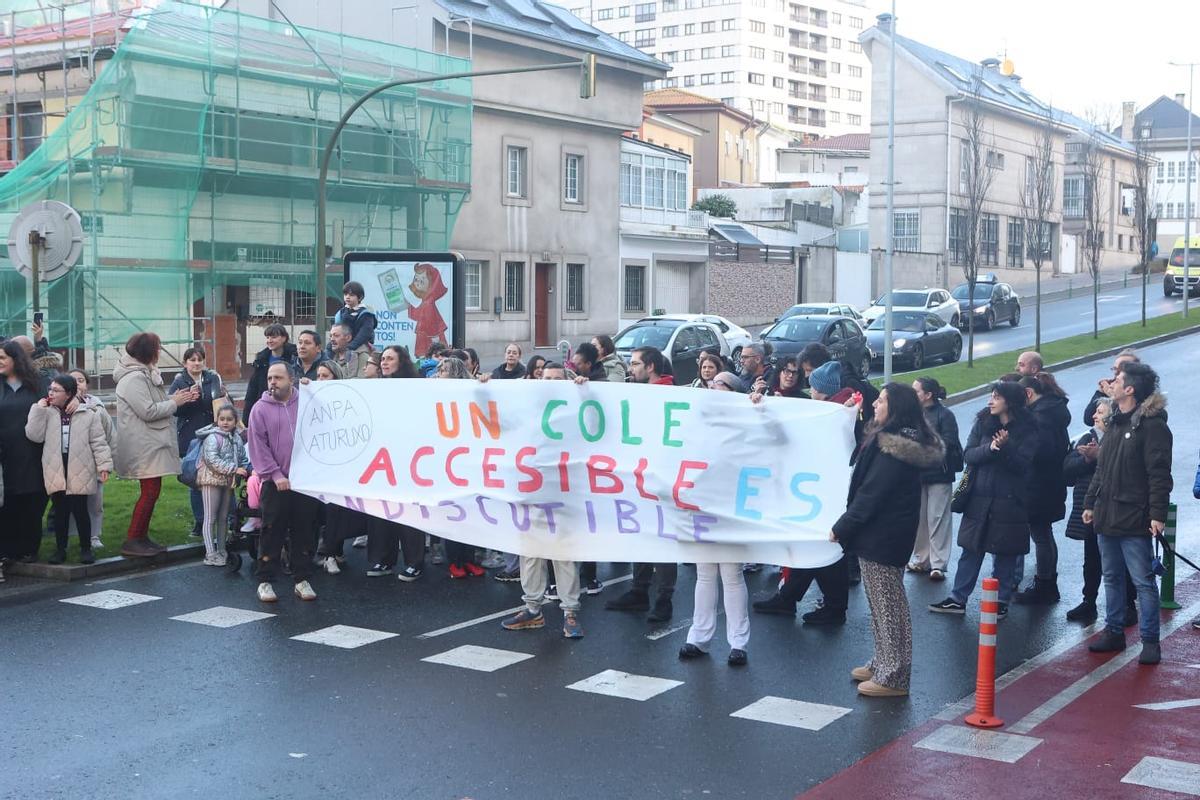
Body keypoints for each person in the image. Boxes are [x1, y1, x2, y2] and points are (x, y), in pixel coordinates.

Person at [834, 383, 944, 697]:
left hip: (884, 535)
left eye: (881, 400)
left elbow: (873, 493)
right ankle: (882, 661)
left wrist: (843, 527)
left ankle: (893, 676)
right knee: (880, 603)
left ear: (895, 408)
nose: (876, 403)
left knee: (888, 606)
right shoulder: (889, 439)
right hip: (881, 534)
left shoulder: (895, 448)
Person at [752, 359, 857, 623]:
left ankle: (829, 607)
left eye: (813, 386)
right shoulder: (834, 408)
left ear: (823, 389)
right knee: (814, 546)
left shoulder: (835, 411)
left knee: (822, 548)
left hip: (821, 488)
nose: (810, 390)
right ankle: (792, 598)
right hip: (817, 487)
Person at [1083, 362, 1172, 665]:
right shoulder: (1116, 423)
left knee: (1143, 581)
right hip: (1107, 514)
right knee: (1112, 577)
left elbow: (1159, 475)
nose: (1112, 382)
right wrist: (1089, 503)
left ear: (1130, 389)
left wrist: (1157, 515)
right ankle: (1114, 631)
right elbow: (1102, 470)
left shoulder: (1152, 426)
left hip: (1134, 517)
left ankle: (1150, 641)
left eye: (1118, 379)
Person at [930, 381, 1038, 617]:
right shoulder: (983, 423)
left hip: (1010, 501)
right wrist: (992, 448)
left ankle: (1000, 601)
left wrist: (1006, 448)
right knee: (971, 549)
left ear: (1009, 402)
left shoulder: (1029, 429)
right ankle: (958, 598)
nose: (990, 401)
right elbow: (969, 454)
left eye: (996, 397)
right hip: (979, 498)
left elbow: (1022, 466)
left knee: (1005, 553)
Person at [501, 359, 588, 638]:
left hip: (562, 493)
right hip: (531, 490)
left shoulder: (574, 408)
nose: (550, 384)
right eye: (546, 378)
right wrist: (484, 386)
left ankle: (570, 612)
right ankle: (533, 609)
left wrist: (585, 391)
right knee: (530, 553)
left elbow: (596, 422)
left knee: (562, 554)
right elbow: (497, 419)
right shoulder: (528, 407)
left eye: (556, 379)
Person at [678, 373, 750, 666]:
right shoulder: (699, 422)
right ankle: (699, 637)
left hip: (732, 506)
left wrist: (757, 408)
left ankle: (739, 643)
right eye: (710, 385)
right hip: (702, 505)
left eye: (719, 385)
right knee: (705, 574)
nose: (711, 388)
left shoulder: (746, 422)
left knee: (731, 575)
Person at [606, 345, 677, 621]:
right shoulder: (636, 393)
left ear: (650, 367)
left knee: (664, 539)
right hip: (640, 477)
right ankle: (639, 590)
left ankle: (664, 599)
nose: (630, 368)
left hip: (664, 479)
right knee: (642, 533)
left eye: (635, 364)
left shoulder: (671, 394)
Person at [113, 332, 194, 558]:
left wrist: (173, 399)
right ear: (148, 352)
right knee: (150, 492)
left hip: (149, 443)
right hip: (144, 445)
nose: (160, 352)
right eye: (157, 348)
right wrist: (174, 402)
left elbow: (153, 404)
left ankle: (141, 537)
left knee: (152, 492)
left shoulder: (142, 374)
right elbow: (147, 411)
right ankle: (133, 538)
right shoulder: (134, 378)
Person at [248, 363, 320, 603]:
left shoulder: (307, 403)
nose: (272, 382)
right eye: (270, 378)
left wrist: (317, 390)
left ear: (292, 379)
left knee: (304, 531)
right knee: (272, 531)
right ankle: (265, 581)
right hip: (276, 483)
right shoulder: (259, 409)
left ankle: (301, 578)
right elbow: (259, 446)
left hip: (304, 482)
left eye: (278, 377)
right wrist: (275, 475)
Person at [1062, 400, 1138, 626]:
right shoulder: (1087, 437)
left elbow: (1126, 468)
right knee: (1091, 558)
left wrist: (1099, 456)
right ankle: (1089, 600)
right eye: (1095, 411)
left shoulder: (1122, 436)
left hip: (1116, 509)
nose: (1094, 416)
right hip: (1090, 509)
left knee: (1120, 560)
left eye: (1100, 411)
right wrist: (1086, 458)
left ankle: (1128, 604)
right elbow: (1067, 468)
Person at [25, 373, 112, 565]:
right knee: (60, 511)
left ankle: (86, 549)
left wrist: (104, 465)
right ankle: (60, 549)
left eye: (56, 390)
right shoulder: (47, 412)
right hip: (55, 467)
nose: (51, 393)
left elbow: (98, 441)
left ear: (69, 393)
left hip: (80, 466)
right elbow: (34, 435)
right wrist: (37, 409)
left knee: (81, 510)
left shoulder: (87, 414)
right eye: (50, 389)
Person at [363, 346, 426, 578]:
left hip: (408, 460)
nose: (385, 363)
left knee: (408, 512)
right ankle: (382, 559)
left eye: (390, 359)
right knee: (380, 512)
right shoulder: (375, 389)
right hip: (381, 461)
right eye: (383, 359)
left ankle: (414, 562)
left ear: (402, 362)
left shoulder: (415, 387)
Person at [1013, 372, 1070, 604]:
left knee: (1041, 535)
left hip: (1039, 485)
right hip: (1049, 484)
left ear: (1028, 393)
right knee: (1044, 534)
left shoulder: (1040, 418)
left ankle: (1045, 583)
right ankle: (1047, 582)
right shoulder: (1052, 411)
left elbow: (1039, 452)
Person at [434, 357, 486, 577]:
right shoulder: (434, 393)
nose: (439, 373)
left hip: (468, 459)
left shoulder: (471, 391)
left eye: (444, 370)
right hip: (446, 460)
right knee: (452, 513)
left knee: (471, 513)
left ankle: (469, 559)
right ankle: (455, 561)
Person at [907, 377, 962, 581]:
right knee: (919, 518)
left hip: (939, 472)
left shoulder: (945, 415)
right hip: (917, 473)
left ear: (928, 395)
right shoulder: (913, 414)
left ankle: (938, 564)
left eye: (916, 391)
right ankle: (921, 559)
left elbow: (950, 442)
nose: (913, 394)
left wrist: (922, 443)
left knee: (937, 518)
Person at [169, 346, 226, 538]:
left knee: (220, 475)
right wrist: (187, 400)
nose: (196, 363)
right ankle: (200, 521)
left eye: (199, 359)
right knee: (196, 480)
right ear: (185, 363)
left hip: (213, 433)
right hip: (191, 436)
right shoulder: (179, 381)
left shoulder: (212, 377)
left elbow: (220, 402)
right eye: (192, 360)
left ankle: (226, 518)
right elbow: (174, 410)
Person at [1, 341, 49, 564]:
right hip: (4, 455)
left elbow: (57, 400)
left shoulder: (37, 384)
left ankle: (30, 548)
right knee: (8, 502)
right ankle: (9, 549)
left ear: (16, 359)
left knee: (32, 499)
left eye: (2, 358)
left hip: (33, 453)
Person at [194, 404, 249, 567]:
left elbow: (242, 457)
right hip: (210, 480)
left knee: (223, 517)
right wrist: (234, 469)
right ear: (216, 420)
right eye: (222, 419)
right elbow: (212, 460)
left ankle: (222, 549)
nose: (225, 422)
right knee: (210, 517)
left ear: (235, 421)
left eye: (229, 419)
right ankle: (210, 553)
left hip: (227, 481)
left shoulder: (237, 438)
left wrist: (245, 469)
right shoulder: (212, 438)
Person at [69, 369, 116, 551]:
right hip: (72, 464)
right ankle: (73, 536)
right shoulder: (59, 406)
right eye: (73, 380)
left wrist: (110, 461)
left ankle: (94, 535)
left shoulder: (98, 407)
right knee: (73, 504)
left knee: (95, 502)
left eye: (81, 380)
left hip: (95, 462)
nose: (78, 384)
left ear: (87, 384)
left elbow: (109, 434)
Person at [243, 323, 296, 424]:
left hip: (288, 405)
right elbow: (253, 389)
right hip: (266, 407)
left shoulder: (294, 357)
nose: (269, 340)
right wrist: (246, 419)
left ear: (284, 338)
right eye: (267, 337)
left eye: (274, 337)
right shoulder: (261, 360)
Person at [1081, 349, 1139, 427]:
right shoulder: (1112, 386)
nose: (1116, 373)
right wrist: (1100, 392)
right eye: (1115, 369)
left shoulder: (1140, 391)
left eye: (1121, 368)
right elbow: (1089, 419)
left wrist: (1112, 395)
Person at [405, 264, 449, 357]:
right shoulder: (426, 301)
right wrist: (408, 306)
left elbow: (431, 327)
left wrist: (436, 347)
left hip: (429, 339)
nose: (417, 283)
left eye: (422, 281)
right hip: (428, 337)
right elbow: (418, 315)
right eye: (416, 279)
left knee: (425, 356)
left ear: (431, 284)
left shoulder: (428, 303)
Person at [332, 280, 377, 353]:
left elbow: (364, 333)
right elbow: (336, 332)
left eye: (351, 295)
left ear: (360, 297)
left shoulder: (366, 314)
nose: (347, 297)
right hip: (342, 345)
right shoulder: (340, 313)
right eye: (345, 294)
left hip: (361, 346)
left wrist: (350, 347)